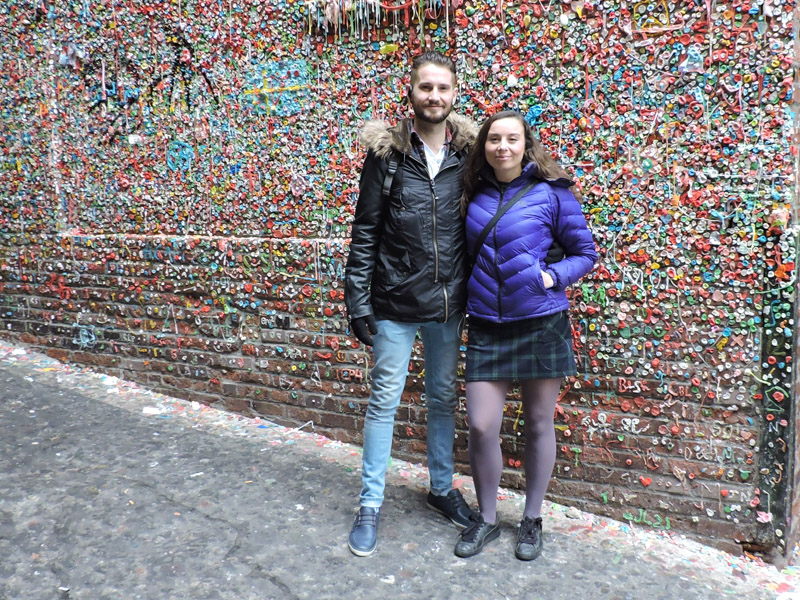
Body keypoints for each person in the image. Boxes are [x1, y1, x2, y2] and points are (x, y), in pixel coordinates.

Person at [344, 51, 478, 557]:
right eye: (426, 87)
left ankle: (441, 489)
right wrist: (358, 302)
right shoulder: (386, 157)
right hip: (395, 302)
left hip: (448, 304)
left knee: (442, 399)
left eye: (443, 88)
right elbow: (366, 232)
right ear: (411, 91)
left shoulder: (470, 155)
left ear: (454, 93)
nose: (434, 96)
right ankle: (370, 503)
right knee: (385, 401)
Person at [453, 110, 597, 561]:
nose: (502, 147)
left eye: (511, 139)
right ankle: (488, 519)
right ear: (484, 147)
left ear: (525, 144)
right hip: (486, 326)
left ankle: (532, 518)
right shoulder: (470, 191)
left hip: (541, 322)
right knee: (481, 426)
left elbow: (585, 252)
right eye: (494, 139)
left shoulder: (553, 192)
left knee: (538, 423)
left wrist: (551, 279)